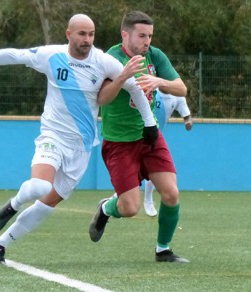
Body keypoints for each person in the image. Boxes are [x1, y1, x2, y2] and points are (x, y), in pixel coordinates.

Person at [0, 14, 159, 264]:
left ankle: (0, 244)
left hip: (81, 147)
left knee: (48, 203)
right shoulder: (52, 56)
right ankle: (13, 205)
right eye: (82, 34)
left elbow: (135, 88)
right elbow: (15, 55)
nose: (87, 40)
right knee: (39, 186)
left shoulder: (103, 61)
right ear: (68, 34)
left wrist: (150, 123)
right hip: (53, 136)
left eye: (91, 34)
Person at [88, 11, 190, 263]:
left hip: (150, 137)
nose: (147, 41)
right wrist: (123, 77)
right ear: (125, 34)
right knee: (130, 208)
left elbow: (181, 88)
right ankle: (105, 208)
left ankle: (163, 249)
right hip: (120, 143)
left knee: (171, 194)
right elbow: (102, 99)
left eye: (150, 36)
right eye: (142, 36)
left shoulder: (154, 56)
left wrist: (158, 81)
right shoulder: (109, 59)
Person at [143, 89, 193, 217]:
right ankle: (118, 197)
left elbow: (186, 114)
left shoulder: (177, 95)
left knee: (155, 167)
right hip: (137, 131)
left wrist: (188, 121)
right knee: (133, 166)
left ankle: (148, 199)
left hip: (155, 135)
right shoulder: (151, 89)